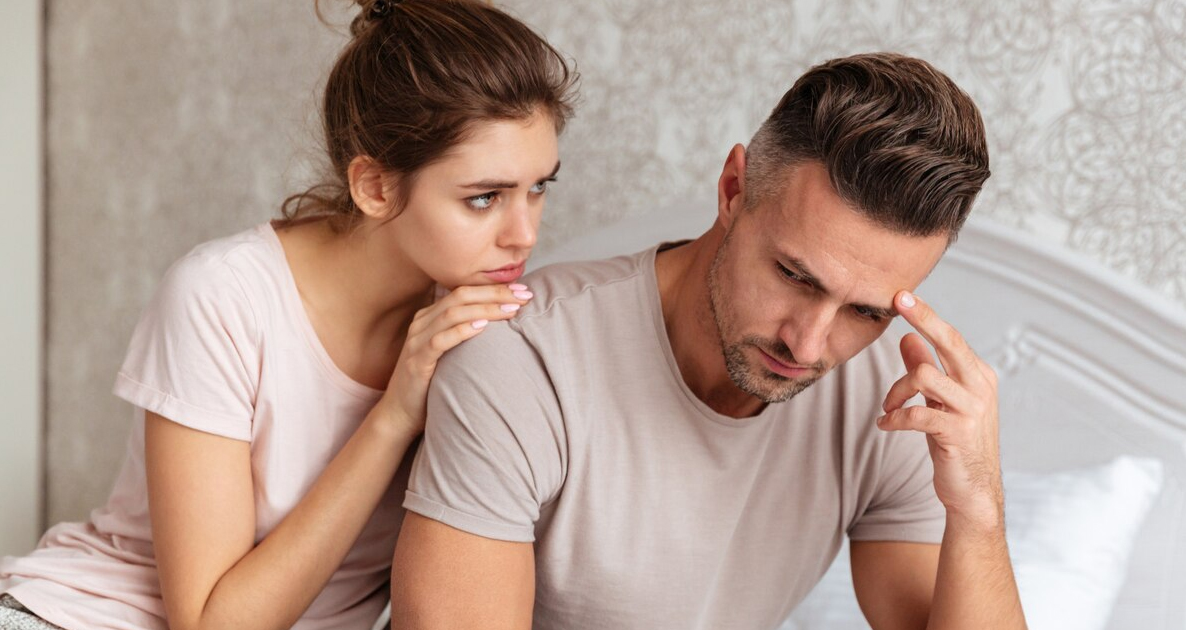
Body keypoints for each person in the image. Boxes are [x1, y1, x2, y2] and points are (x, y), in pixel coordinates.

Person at [0, 1, 576, 629]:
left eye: (539, 187)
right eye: (483, 198)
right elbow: (213, 623)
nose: (524, 233)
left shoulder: (479, 319)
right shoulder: (222, 297)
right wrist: (393, 417)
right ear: (375, 187)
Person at [390, 52, 1027, 629]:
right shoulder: (521, 360)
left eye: (866, 312)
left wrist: (979, 513)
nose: (808, 345)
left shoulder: (885, 400)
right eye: (793, 276)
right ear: (732, 191)